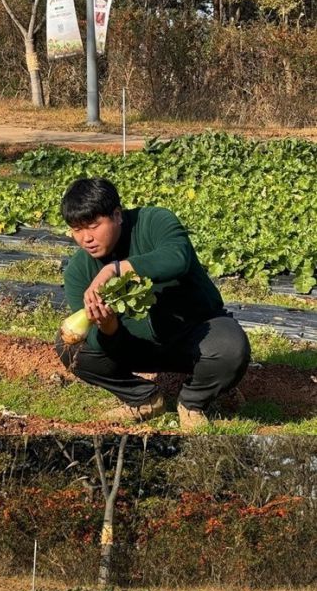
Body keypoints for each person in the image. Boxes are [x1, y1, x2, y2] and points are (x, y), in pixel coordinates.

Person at [55, 177, 250, 430]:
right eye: (77, 229)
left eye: (93, 225)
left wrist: (117, 269)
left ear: (117, 215)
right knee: (71, 348)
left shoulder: (154, 221)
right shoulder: (78, 271)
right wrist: (108, 326)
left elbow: (177, 257)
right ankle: (144, 399)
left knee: (231, 348)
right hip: (137, 347)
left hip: (194, 334)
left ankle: (193, 402)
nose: (85, 238)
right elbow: (93, 341)